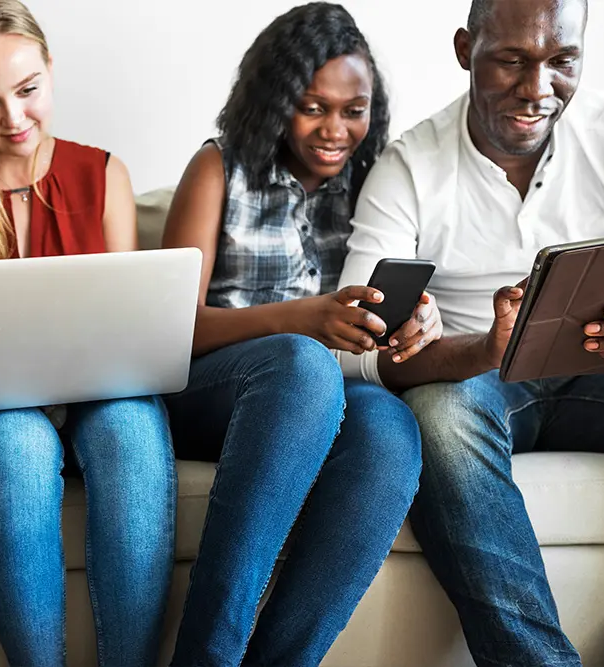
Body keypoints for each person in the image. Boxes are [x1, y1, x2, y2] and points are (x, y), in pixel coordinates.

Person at [337, 0, 604, 664]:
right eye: (512, 60)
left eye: (562, 62)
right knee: (439, 414)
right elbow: (353, 351)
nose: (538, 89)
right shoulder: (411, 166)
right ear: (466, 48)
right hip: (476, 381)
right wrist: (481, 347)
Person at [0, 1, 176, 665]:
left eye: (28, 91)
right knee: (13, 436)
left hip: (101, 401)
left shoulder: (103, 175)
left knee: (132, 424)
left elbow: (131, 328)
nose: (14, 120)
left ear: (51, 70)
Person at [159, 4, 426, 665]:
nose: (336, 129)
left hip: (324, 395)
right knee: (303, 367)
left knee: (391, 429)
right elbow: (170, 328)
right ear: (276, 100)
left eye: (353, 109)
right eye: (313, 107)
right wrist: (300, 318)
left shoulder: (374, 183)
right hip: (214, 390)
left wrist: (408, 323)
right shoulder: (219, 169)